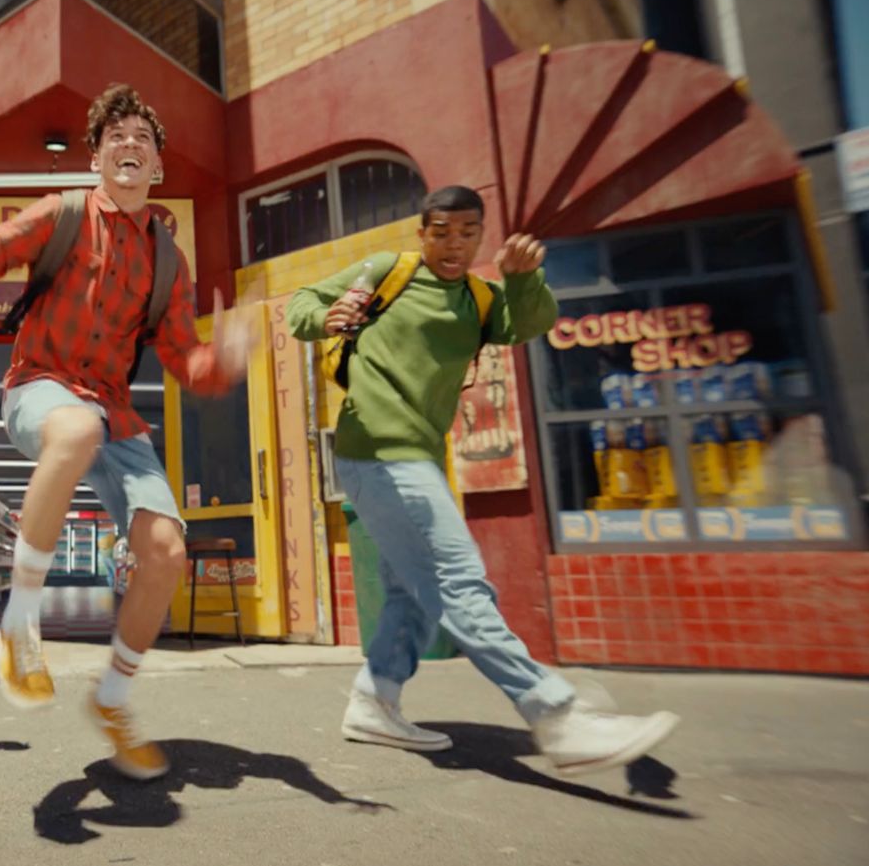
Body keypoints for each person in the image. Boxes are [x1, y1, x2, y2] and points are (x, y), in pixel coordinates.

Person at [0, 83, 256, 780]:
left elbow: (185, 356)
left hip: (116, 411)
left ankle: (114, 697)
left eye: (143, 140)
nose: (130, 146)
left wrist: (225, 361)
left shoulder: (169, 259)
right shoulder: (60, 214)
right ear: (96, 157)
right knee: (74, 431)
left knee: (164, 552)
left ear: (157, 167)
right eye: (116, 137)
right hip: (39, 384)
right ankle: (19, 621)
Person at [286, 185, 679, 776]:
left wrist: (522, 279)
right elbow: (301, 307)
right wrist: (327, 314)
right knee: (456, 581)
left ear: (480, 236)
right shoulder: (386, 271)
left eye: (467, 233)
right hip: (378, 451)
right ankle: (555, 716)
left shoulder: (477, 297)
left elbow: (527, 323)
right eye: (440, 231)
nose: (453, 244)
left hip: (417, 457)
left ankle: (374, 701)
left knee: (408, 597)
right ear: (422, 233)